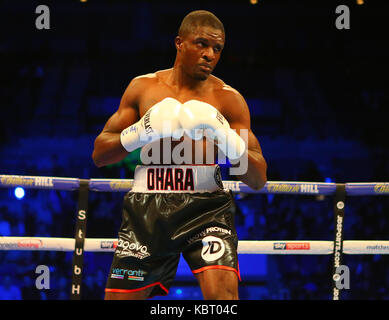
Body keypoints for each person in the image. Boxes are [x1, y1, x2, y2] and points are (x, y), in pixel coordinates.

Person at [92, 10, 267, 300]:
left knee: (222, 298)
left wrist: (224, 136)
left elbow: (258, 178)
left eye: (217, 48)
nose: (209, 54)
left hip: (207, 207)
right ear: (179, 43)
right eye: (201, 44)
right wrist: (141, 131)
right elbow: (100, 154)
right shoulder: (143, 88)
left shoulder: (228, 99)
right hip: (148, 207)